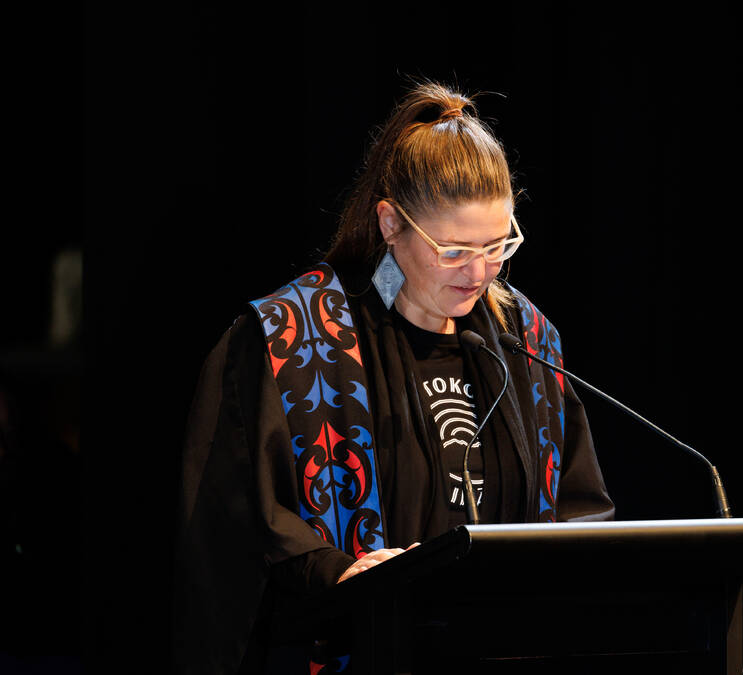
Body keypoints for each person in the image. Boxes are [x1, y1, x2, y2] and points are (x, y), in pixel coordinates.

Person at [173, 81, 614, 675]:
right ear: (389, 224)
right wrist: (338, 574)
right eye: (454, 251)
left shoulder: (527, 345)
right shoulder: (291, 343)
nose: (481, 273)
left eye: (498, 246)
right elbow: (240, 527)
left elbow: (579, 515)